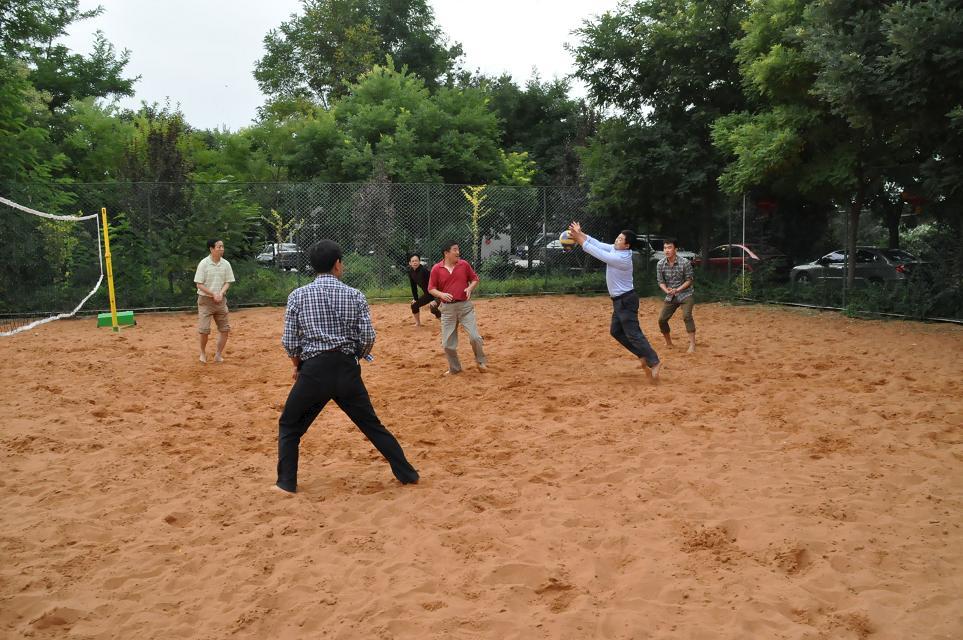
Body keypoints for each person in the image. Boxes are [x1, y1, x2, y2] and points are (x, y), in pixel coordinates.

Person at [276, 239, 419, 494]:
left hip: (314, 370)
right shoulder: (355, 295)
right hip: (346, 369)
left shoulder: (297, 296)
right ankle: (407, 473)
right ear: (337, 264)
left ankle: (286, 483)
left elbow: (290, 341)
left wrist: (298, 365)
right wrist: (355, 357)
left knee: (290, 425)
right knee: (371, 425)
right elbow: (368, 337)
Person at [567, 222, 662, 380]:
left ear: (627, 246)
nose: (617, 240)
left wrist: (579, 239)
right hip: (620, 300)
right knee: (615, 331)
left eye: (620, 239)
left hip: (626, 300)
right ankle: (642, 355)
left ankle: (654, 361)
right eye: (618, 237)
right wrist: (580, 234)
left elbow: (597, 252)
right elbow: (597, 244)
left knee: (633, 334)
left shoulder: (621, 258)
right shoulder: (616, 249)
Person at [427, 241, 488, 375]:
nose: (458, 252)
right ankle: (455, 368)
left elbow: (475, 279)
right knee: (447, 344)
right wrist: (441, 294)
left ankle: (481, 361)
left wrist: (469, 288)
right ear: (446, 253)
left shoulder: (464, 264)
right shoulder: (437, 268)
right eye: (455, 250)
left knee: (475, 338)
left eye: (458, 249)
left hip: (465, 307)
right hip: (447, 310)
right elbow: (431, 288)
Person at [194, 238, 235, 363]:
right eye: (219, 247)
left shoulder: (226, 264)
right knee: (204, 330)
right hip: (205, 301)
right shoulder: (203, 264)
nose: (222, 249)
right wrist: (213, 294)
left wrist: (221, 293)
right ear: (211, 249)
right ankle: (202, 353)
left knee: (225, 329)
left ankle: (218, 355)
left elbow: (228, 282)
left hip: (221, 300)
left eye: (222, 246)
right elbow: (199, 284)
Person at [656, 238, 696, 353]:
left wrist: (677, 289)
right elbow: (660, 282)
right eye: (665, 248)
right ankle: (668, 342)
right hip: (671, 295)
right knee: (662, 319)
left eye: (669, 247)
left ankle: (692, 344)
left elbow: (689, 280)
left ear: (675, 249)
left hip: (686, 294)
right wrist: (667, 291)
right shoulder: (660, 264)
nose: (666, 250)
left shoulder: (685, 262)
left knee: (687, 316)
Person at [406, 253, 441, 326]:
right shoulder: (411, 272)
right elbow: (413, 286)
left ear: (419, 261)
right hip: (428, 294)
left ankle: (444, 322)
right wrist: (415, 298)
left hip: (437, 292)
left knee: (433, 308)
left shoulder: (424, 271)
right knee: (414, 306)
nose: (415, 262)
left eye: (416, 261)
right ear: (410, 263)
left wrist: (434, 299)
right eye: (413, 261)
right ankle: (418, 323)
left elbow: (434, 284)